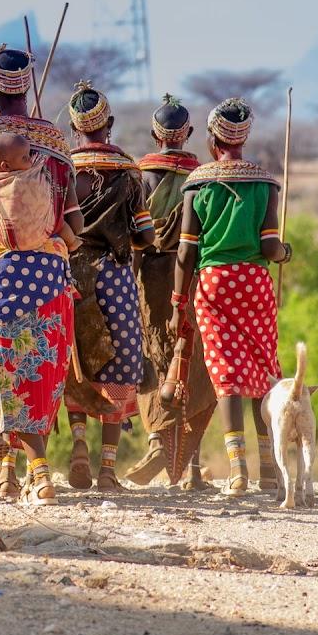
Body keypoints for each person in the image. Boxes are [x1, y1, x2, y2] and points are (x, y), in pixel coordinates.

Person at [0, 47, 84, 505]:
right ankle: (25, 471)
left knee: (3, 369)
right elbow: (77, 223)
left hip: (0, 273)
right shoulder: (54, 145)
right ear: (27, 88)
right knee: (40, 372)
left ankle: (30, 471)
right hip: (51, 271)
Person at [170, 98, 290, 497]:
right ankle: (269, 472)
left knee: (227, 374)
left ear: (211, 138)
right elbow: (272, 248)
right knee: (264, 369)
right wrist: (286, 253)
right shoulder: (264, 183)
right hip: (255, 284)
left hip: (214, 284)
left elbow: (186, 252)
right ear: (244, 136)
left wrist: (176, 303)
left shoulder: (198, 183)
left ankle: (238, 471)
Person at [62, 82, 153, 491]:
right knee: (121, 362)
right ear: (109, 124)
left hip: (69, 272)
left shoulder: (62, 166)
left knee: (76, 358)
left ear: (73, 126)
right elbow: (145, 235)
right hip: (115, 275)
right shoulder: (130, 171)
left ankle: (79, 443)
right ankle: (107, 469)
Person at [126, 95, 220, 490]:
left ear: (154, 134)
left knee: (156, 353)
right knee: (194, 361)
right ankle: (191, 467)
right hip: (194, 274)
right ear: (189, 134)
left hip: (150, 275)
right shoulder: (204, 177)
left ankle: (157, 443)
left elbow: (135, 235)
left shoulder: (138, 174)